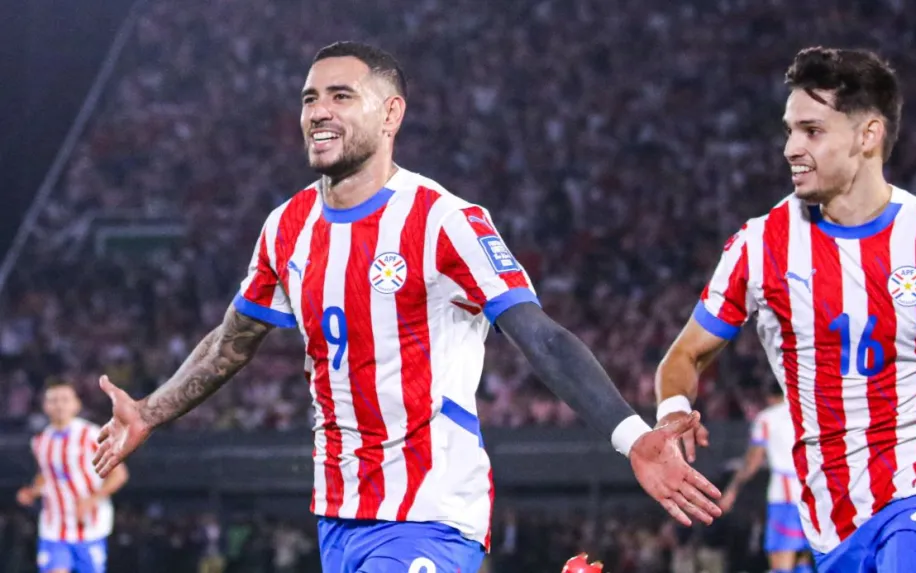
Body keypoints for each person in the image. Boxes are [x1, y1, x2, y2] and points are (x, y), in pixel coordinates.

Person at [90, 41, 721, 573]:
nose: (318, 112)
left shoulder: (444, 221)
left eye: (341, 96)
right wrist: (149, 411)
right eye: (310, 98)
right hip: (338, 510)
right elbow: (233, 340)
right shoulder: (288, 227)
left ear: (391, 114)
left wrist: (633, 438)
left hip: (430, 502)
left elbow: (541, 335)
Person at [654, 46, 916, 573]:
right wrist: (673, 411)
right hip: (832, 521)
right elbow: (685, 357)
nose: (791, 148)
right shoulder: (760, 246)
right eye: (789, 130)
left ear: (868, 135)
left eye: (811, 131)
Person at [16, 380, 129, 573]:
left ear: (76, 404)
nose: (59, 405)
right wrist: (32, 492)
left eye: (65, 399)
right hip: (54, 528)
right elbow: (45, 475)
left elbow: (119, 474)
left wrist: (93, 499)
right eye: (54, 400)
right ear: (45, 406)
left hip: (90, 528)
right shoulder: (40, 442)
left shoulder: (92, 435)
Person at [718, 384, 811, 573]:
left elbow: (752, 462)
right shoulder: (808, 412)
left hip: (785, 498)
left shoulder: (767, 418)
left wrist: (732, 490)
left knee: (781, 563)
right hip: (812, 495)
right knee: (803, 560)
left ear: (769, 396)